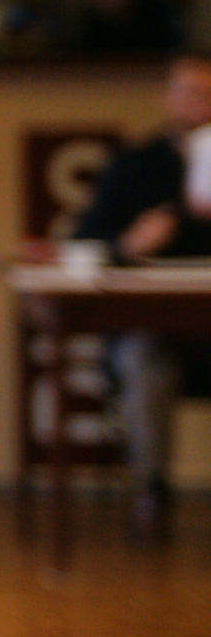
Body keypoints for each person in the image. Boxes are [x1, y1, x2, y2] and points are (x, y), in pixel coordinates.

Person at [72, 49, 211, 535]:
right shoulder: (135, 164)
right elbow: (84, 242)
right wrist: (128, 243)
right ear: (166, 98)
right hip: (158, 330)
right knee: (143, 357)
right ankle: (151, 487)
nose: (201, 104)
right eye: (191, 92)